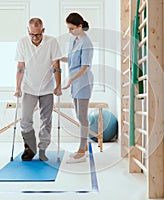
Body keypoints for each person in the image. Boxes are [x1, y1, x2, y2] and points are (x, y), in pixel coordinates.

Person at [14, 18, 62, 161]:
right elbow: (20, 67)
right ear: (28, 31)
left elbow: (57, 66)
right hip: (29, 88)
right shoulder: (22, 42)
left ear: (43, 30)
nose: (35, 38)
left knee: (46, 120)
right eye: (32, 35)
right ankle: (30, 148)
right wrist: (17, 87)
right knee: (25, 120)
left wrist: (58, 86)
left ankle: (42, 149)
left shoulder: (52, 42)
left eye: (38, 34)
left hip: (47, 88)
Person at [61, 13, 94, 164]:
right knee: (79, 116)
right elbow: (72, 59)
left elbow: (84, 67)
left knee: (82, 117)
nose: (70, 31)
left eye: (72, 28)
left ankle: (81, 150)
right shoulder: (74, 39)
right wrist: (58, 58)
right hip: (75, 81)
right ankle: (84, 147)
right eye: (68, 28)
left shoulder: (86, 43)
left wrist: (70, 80)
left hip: (83, 82)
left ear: (80, 26)